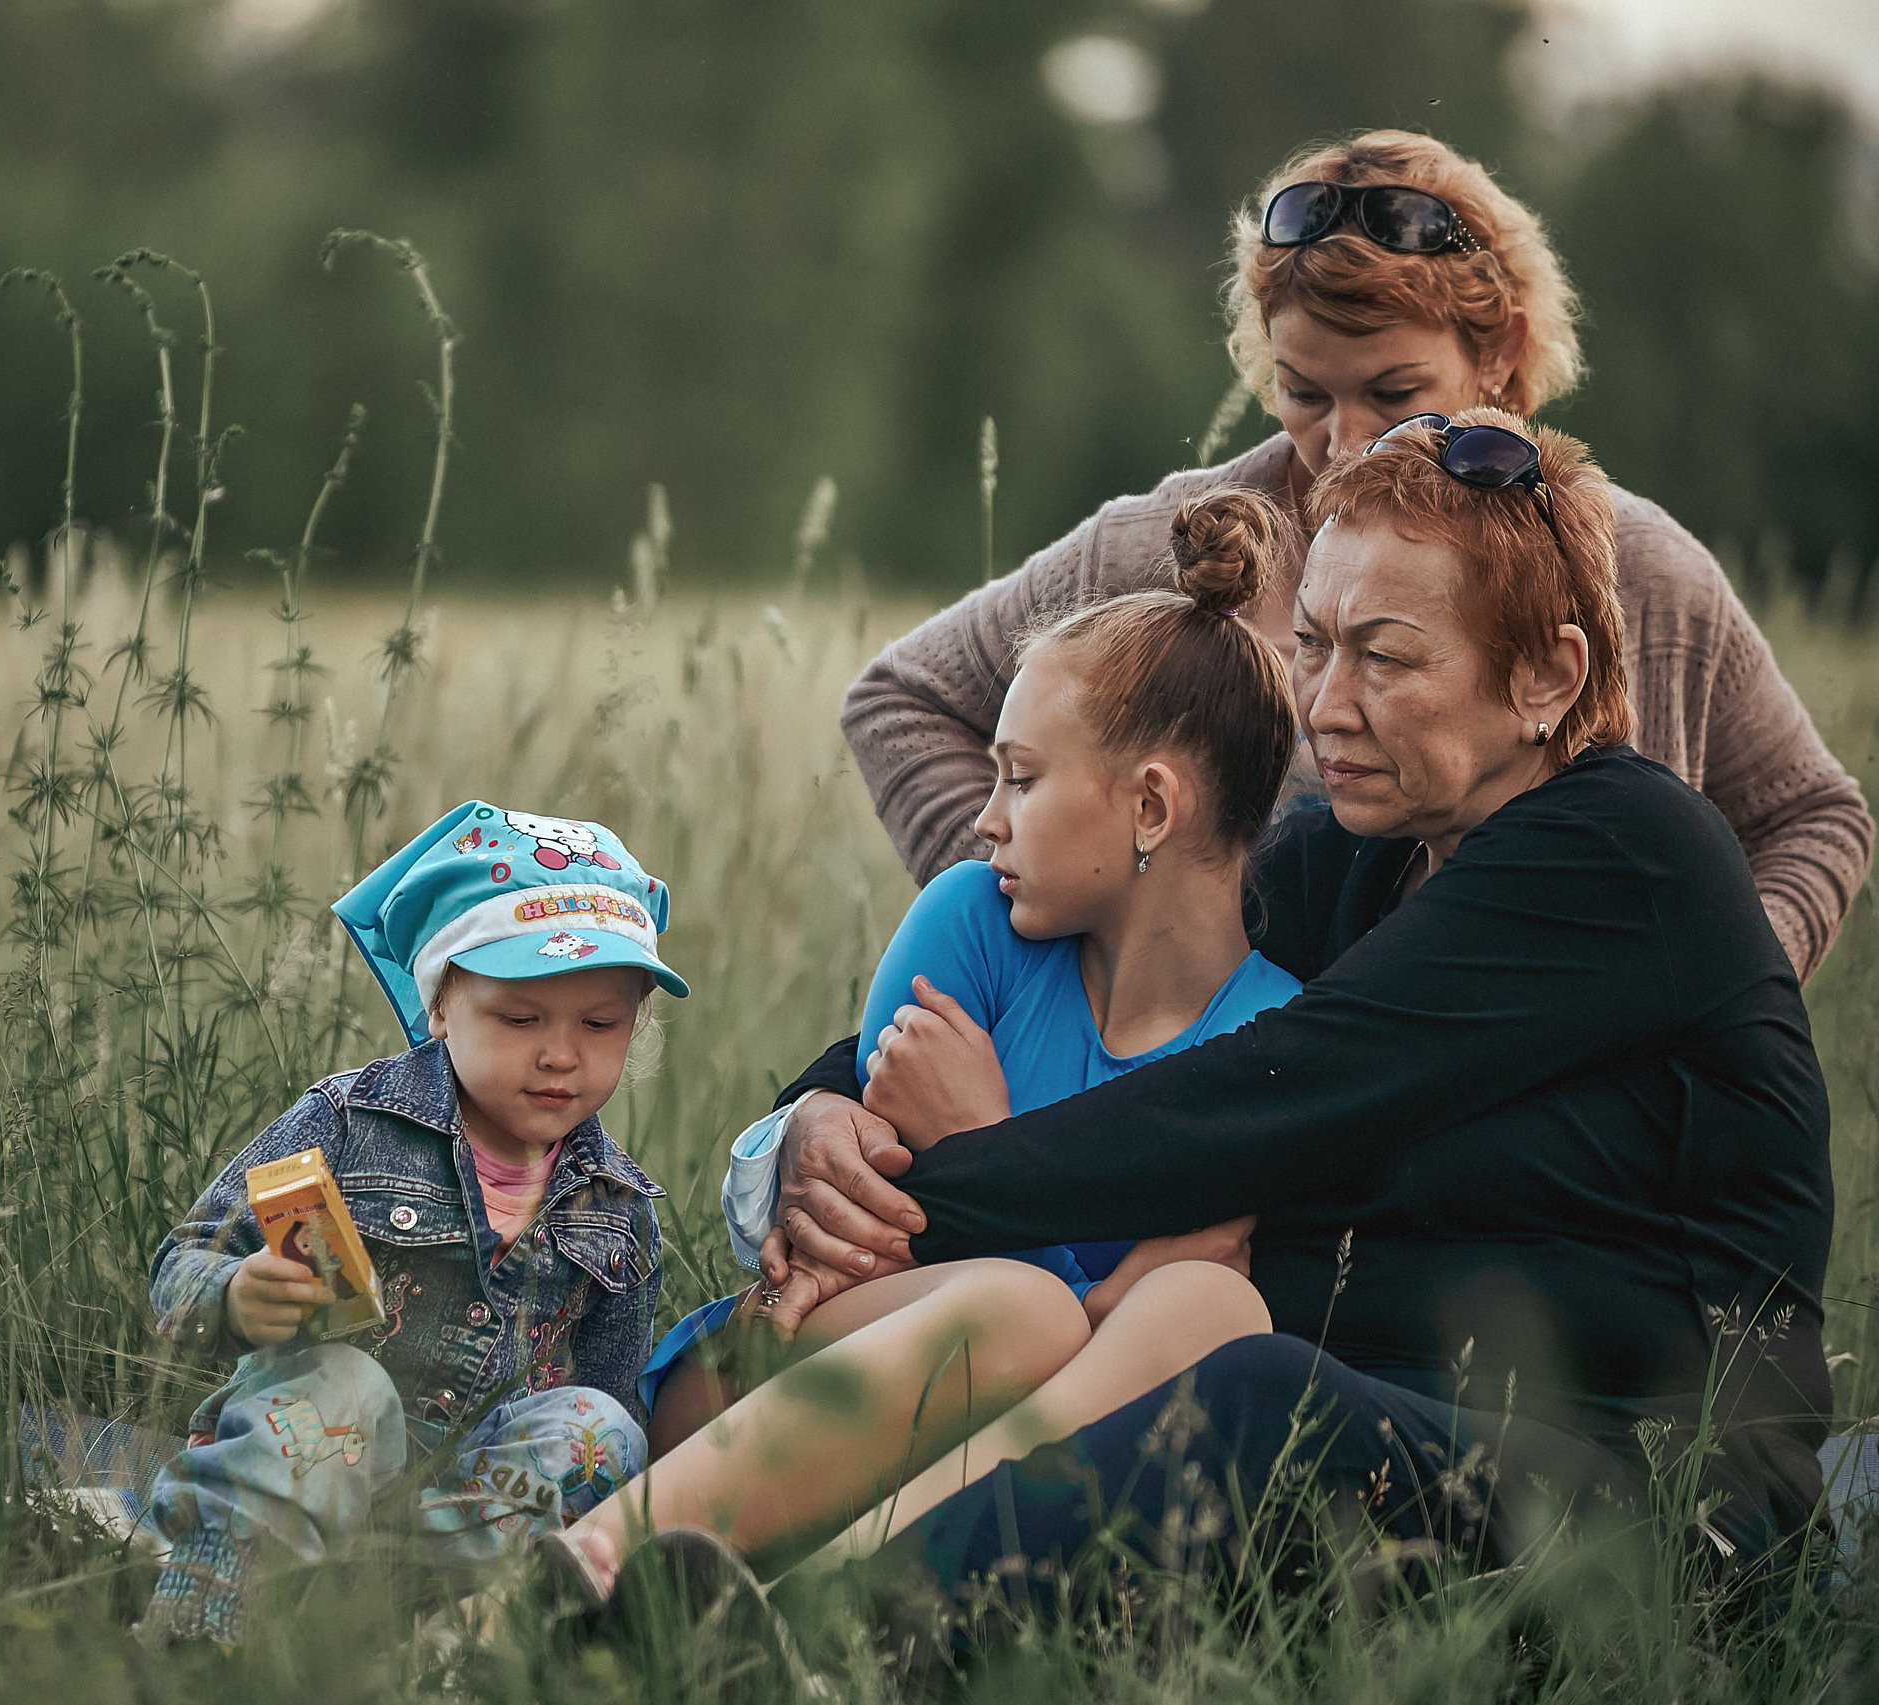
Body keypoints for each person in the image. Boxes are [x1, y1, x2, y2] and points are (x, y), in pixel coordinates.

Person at [721, 412, 1831, 1621]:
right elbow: (1082, 942)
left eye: (1387, 658)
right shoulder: (1348, 861)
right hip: (1391, 1439)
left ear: (1546, 678)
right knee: (1163, 1359)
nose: (1326, 704)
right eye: (1311, 645)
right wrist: (819, 1124)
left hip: (1652, 1511)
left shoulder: (1630, 853)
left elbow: (1262, 1097)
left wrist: (931, 1184)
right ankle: (699, 1573)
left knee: (1249, 1394)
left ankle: (804, 1636)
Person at [843, 129, 1867, 986]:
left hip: (1554, 1181)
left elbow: (1813, 818)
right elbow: (901, 699)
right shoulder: (1161, 547)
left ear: (1500, 353)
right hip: (1219, 1139)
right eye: (1302, 393)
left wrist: (1712, 991)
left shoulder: (1644, 572)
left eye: (1391, 393)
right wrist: (1063, 956)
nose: (1340, 442)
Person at [559, 489, 1306, 1585]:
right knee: (1026, 1305)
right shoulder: (972, 922)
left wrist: (991, 1138)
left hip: (991, 1471)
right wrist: (1062, 1253)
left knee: (1214, 1307)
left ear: (1151, 808)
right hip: (769, 1397)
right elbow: (860, 1246)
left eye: (1022, 776)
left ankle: (818, 1620)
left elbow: (1125, 1360)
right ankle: (582, 1567)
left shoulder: (1275, 1036)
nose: (984, 817)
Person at [138, 801, 685, 1644]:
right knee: (347, 1385)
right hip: (309, 1456)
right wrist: (239, 1294)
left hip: (462, 1512)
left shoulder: (620, 1211)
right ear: (440, 1006)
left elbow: (605, 1406)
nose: (561, 1054)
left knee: (603, 1431)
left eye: (600, 1022)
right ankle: (211, 1606)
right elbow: (180, 1268)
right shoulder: (348, 1123)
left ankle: (406, 1622)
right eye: (521, 1017)